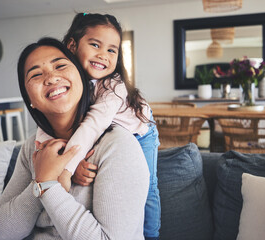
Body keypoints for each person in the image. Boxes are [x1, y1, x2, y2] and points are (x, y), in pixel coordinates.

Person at [0, 37, 150, 239]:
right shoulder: (33, 147)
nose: (51, 78)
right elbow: (3, 232)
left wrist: (48, 184)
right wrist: (39, 181)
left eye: (61, 66)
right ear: (30, 100)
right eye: (36, 74)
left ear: (82, 77)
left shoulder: (117, 145)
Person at [36, 13, 161, 240]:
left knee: (148, 188)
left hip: (141, 132)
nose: (103, 55)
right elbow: (51, 122)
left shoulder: (114, 86)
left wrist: (66, 169)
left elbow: (92, 125)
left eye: (112, 50)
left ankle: (151, 235)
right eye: (95, 45)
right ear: (72, 45)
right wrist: (65, 160)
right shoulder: (69, 81)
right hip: (106, 132)